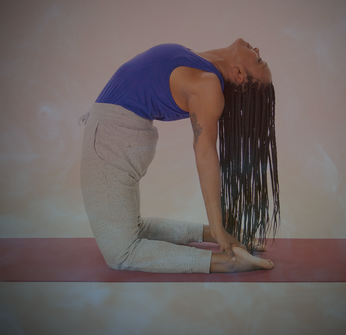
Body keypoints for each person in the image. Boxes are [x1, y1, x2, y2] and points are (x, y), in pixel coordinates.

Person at [79, 38, 279, 273]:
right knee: (135, 230)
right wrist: (217, 231)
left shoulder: (207, 85)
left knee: (120, 254)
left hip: (112, 138)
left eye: (258, 59)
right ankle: (220, 235)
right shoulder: (203, 64)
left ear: (238, 74)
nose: (256, 49)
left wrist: (217, 226)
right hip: (119, 135)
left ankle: (226, 262)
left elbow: (205, 152)